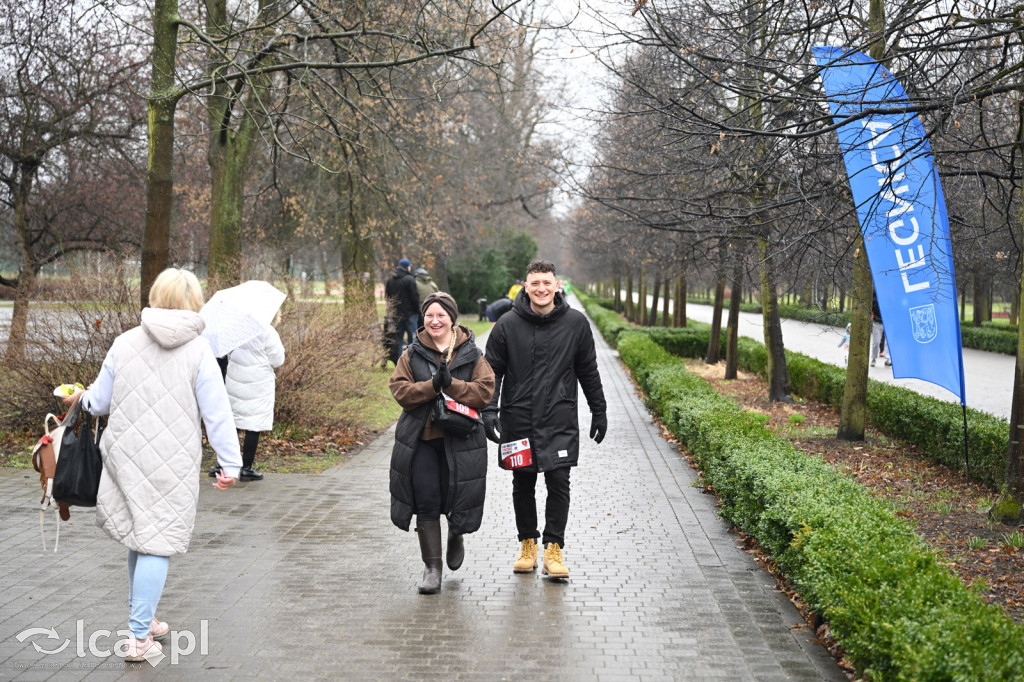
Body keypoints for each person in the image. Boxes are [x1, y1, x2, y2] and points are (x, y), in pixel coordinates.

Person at [65, 268, 241, 663]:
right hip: (171, 462)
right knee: (156, 542)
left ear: (156, 296)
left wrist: (80, 398)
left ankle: (145, 617)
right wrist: (230, 462)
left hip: (124, 457)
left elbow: (100, 402)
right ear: (195, 302)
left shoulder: (124, 342)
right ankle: (139, 636)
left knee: (139, 535)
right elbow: (218, 415)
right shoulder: (200, 352)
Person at [483, 260, 607, 579]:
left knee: (559, 482)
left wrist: (600, 409)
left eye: (546, 283)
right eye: (535, 283)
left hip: (559, 418)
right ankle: (528, 544)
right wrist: (489, 410)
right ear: (526, 286)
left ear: (556, 286)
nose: (541, 288)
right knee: (522, 482)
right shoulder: (507, 325)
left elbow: (588, 370)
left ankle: (554, 549)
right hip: (517, 417)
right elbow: (491, 371)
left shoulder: (576, 324)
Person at [388, 292, 495, 594]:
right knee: (426, 500)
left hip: (461, 440)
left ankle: (456, 533)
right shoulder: (411, 353)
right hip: (421, 440)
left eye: (441, 315)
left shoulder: (472, 353)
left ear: (452, 318)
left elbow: (485, 391)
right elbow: (400, 391)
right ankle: (432, 568)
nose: (435, 321)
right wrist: (430, 386)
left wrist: (452, 384)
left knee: (457, 496)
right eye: (429, 315)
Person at [209, 312, 285, 482]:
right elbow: (278, 359)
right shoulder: (268, 332)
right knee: (254, 424)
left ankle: (224, 465)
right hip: (258, 384)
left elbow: (224, 352)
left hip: (235, 381)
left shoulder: (237, 330)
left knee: (232, 423)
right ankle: (246, 468)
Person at [385, 258, 420, 356]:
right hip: (410, 314)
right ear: (407, 267)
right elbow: (415, 298)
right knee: (412, 340)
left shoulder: (390, 280)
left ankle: (400, 363)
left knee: (398, 340)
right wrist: (417, 311)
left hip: (396, 315)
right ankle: (412, 361)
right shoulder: (410, 279)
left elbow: (388, 298)